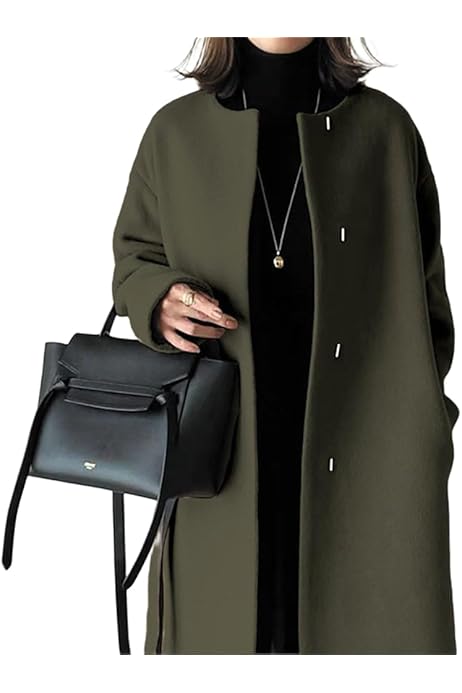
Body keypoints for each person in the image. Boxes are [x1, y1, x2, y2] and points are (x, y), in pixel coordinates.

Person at [111, 38, 459, 655]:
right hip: (219, 461)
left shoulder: (385, 131)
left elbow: (429, 304)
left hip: (369, 462)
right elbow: (135, 260)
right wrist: (158, 299)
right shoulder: (175, 133)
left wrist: (421, 425)